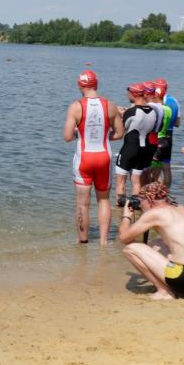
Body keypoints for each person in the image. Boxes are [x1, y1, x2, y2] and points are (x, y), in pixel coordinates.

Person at [64, 70, 124, 244]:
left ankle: (83, 241)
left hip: (84, 158)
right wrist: (104, 136)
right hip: (103, 157)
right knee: (104, 200)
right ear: (96, 84)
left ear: (80, 85)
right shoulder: (110, 106)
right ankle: (104, 242)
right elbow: (120, 134)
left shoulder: (76, 107)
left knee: (82, 204)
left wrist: (79, 134)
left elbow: (67, 137)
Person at [119, 182, 184, 299]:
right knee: (157, 243)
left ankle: (164, 292)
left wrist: (126, 216)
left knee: (130, 249)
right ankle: (172, 284)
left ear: (149, 199)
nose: (140, 205)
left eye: (141, 201)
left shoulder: (155, 213)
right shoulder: (181, 208)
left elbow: (124, 238)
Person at [114, 83, 157, 212]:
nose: (127, 96)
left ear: (134, 94)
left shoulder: (131, 112)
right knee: (136, 181)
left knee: (121, 182)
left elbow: (121, 130)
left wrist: (120, 114)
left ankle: (121, 211)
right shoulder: (153, 111)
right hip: (143, 149)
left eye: (128, 93)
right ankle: (135, 209)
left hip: (129, 149)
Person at [153, 78, 181, 187]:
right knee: (166, 166)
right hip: (169, 135)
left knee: (154, 165)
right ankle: (166, 193)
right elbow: (177, 123)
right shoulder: (175, 101)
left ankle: (154, 191)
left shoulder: (156, 101)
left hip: (158, 134)